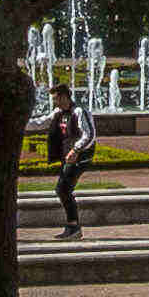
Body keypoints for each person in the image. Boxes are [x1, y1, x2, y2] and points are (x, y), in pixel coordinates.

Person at [40, 89, 92, 239]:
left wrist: (75, 150)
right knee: (63, 189)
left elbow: (89, 134)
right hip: (69, 157)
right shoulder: (59, 112)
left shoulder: (79, 111)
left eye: (55, 98)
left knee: (63, 189)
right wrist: (21, 123)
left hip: (80, 157)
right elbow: (42, 122)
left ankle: (74, 227)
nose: (54, 102)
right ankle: (73, 227)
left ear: (64, 97)